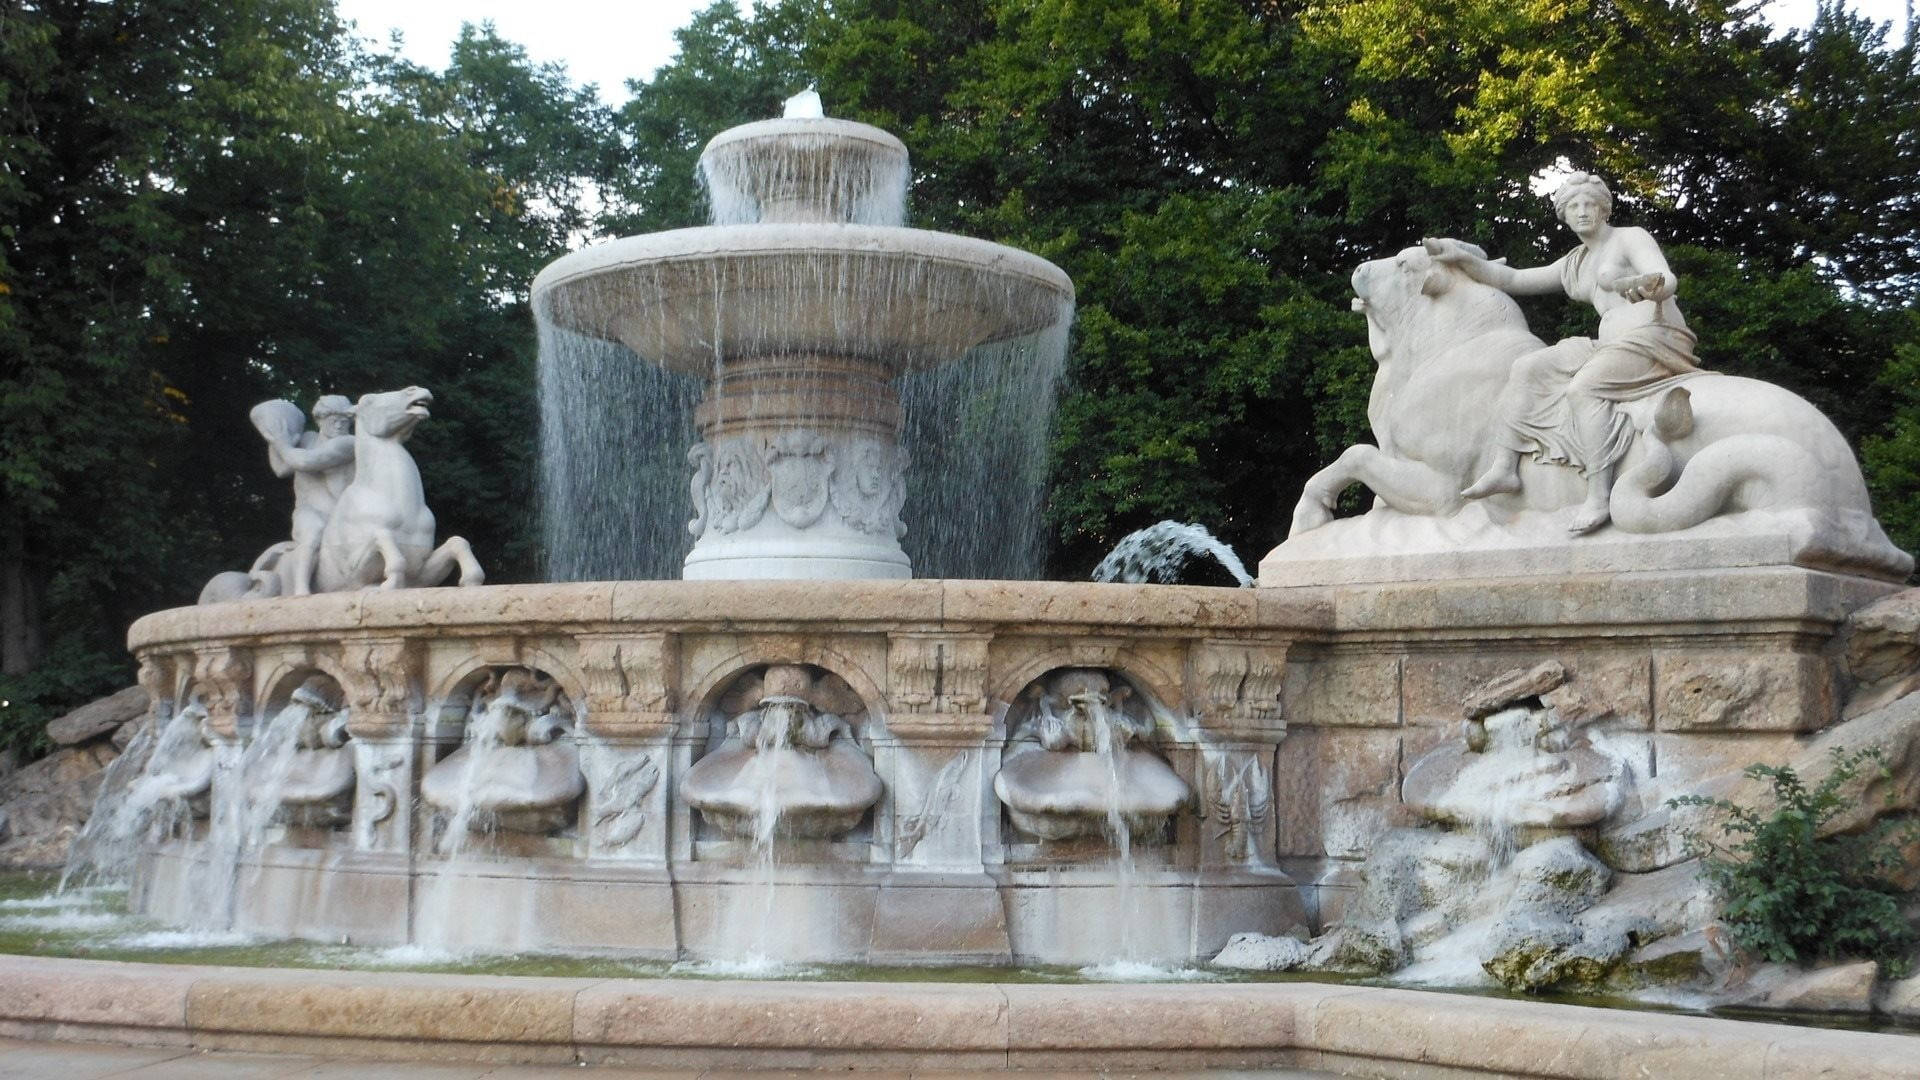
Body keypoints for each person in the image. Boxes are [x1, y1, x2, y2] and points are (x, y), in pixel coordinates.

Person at [1427, 173, 1703, 534]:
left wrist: (1647, 286)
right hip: (1610, 344)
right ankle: (1505, 468)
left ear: (1604, 209)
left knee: (1583, 389)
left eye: (1590, 204)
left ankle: (1599, 495)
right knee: (1529, 366)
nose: (1583, 211)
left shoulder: (1628, 238)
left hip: (1653, 336)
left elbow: (1666, 278)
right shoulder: (1576, 261)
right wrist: (1462, 258)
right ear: (1564, 214)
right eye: (1574, 206)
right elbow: (1512, 279)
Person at [251, 394, 356, 594]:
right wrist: (274, 438)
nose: (340, 426)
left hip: (341, 513)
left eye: (345, 421)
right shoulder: (307, 439)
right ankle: (301, 588)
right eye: (334, 420)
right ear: (320, 419)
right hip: (310, 511)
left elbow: (305, 462)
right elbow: (282, 469)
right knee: (313, 532)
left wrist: (282, 443)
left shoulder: (349, 443)